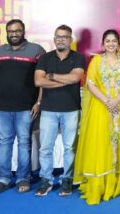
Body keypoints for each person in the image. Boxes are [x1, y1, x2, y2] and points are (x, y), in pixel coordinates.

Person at [74, 29, 120, 204]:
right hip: (101, 108)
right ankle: (100, 183)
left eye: (114, 41)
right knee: (101, 142)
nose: (111, 44)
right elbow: (91, 83)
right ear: (102, 44)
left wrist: (116, 100)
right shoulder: (96, 61)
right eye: (107, 41)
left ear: (118, 44)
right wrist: (107, 101)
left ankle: (118, 181)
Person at [0, 19, 45, 195]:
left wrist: (38, 102)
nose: (14, 34)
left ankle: (23, 178)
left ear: (23, 31)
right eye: (10, 31)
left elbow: (42, 79)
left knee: (24, 143)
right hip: (2, 107)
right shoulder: (0, 51)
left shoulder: (36, 50)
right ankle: (4, 178)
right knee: (4, 142)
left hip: (26, 107)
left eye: (17, 31)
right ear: (7, 32)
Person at [33, 25, 86, 197]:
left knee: (70, 148)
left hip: (71, 109)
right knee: (45, 148)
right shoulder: (45, 58)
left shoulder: (78, 58)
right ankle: (46, 179)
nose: (61, 40)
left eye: (64, 37)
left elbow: (75, 78)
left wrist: (51, 76)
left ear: (70, 40)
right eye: (58, 37)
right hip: (48, 109)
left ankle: (67, 179)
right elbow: (38, 82)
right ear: (54, 39)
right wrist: (64, 81)